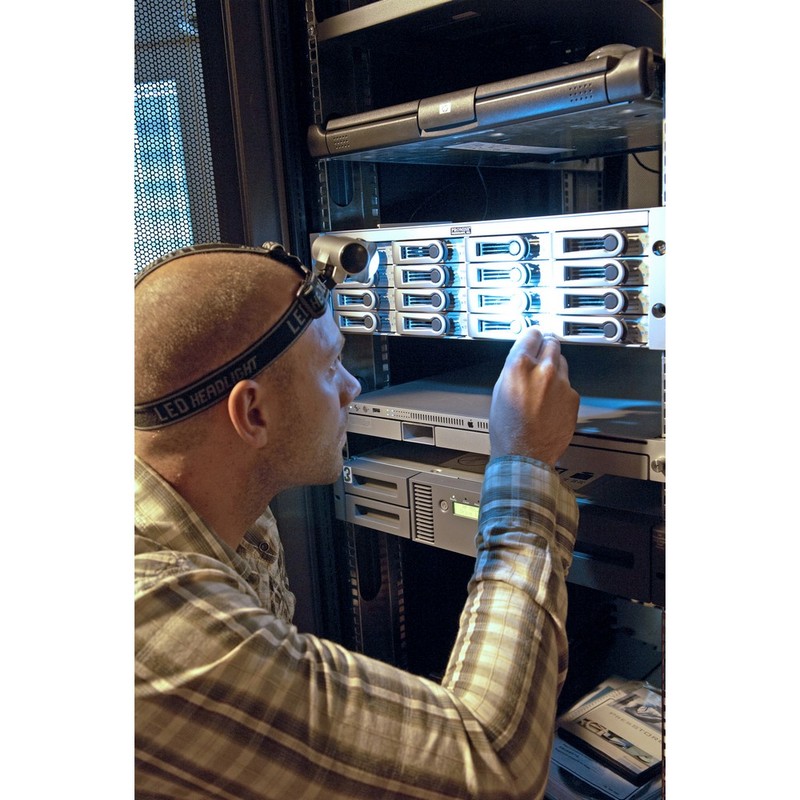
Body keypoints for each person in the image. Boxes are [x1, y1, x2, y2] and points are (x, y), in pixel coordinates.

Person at [135, 242, 581, 800]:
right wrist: (524, 459)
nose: (353, 386)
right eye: (330, 367)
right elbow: (494, 768)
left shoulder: (227, 513)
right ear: (253, 412)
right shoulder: (151, 620)